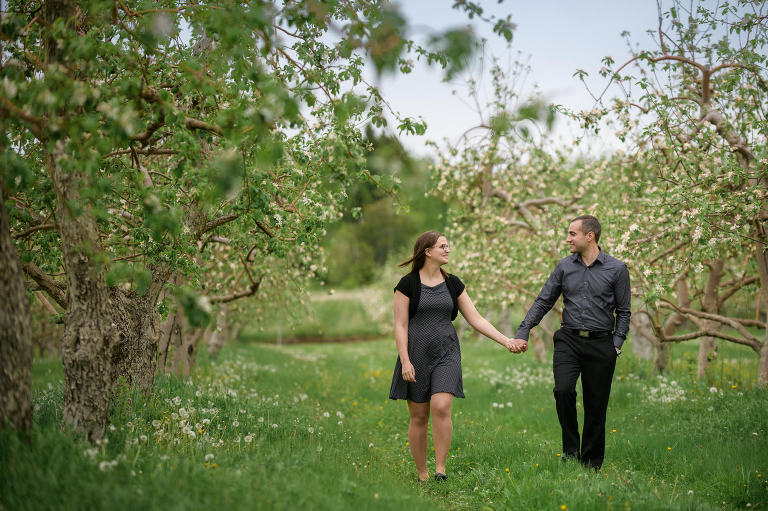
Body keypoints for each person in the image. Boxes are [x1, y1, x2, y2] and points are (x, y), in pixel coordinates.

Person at [389, 230, 524, 482]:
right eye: (443, 246)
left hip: (446, 351)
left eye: (447, 245)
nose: (447, 249)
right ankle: (422, 474)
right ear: (427, 252)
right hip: (416, 353)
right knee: (419, 416)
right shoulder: (407, 284)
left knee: (441, 407)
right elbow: (400, 325)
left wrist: (506, 340)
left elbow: (476, 318)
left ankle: (440, 469)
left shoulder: (453, 283)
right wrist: (405, 360)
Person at [512, 215, 630, 469]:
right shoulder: (564, 267)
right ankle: (570, 451)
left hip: (601, 344)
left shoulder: (617, 269)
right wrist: (524, 330)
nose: (567, 239)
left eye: (572, 234)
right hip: (569, 340)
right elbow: (544, 300)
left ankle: (591, 463)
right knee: (562, 390)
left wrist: (617, 344)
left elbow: (624, 311)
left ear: (590, 236)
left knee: (596, 405)